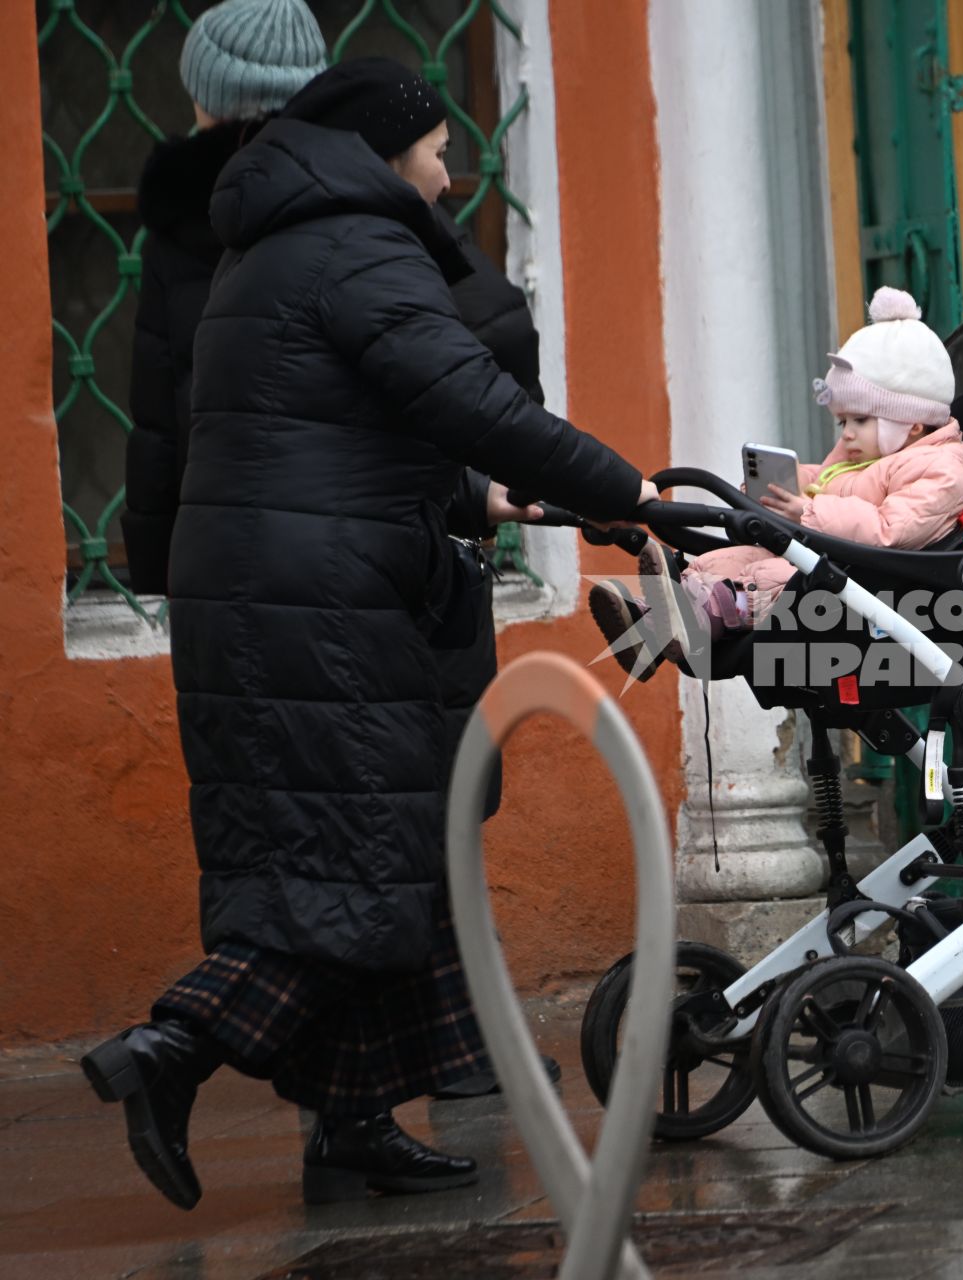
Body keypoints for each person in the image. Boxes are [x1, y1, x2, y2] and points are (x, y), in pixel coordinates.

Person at [81, 56, 657, 1211]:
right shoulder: (359, 244)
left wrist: (473, 501)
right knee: (374, 864)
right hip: (322, 601)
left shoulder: (278, 241)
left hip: (267, 589)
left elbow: (322, 432)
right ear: (389, 150)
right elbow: (470, 401)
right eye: (441, 154)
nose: (449, 178)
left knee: (343, 848)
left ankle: (351, 1124)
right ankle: (175, 1045)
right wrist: (628, 491)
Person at [589, 287, 963, 678]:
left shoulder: (944, 469)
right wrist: (777, 491)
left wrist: (807, 512)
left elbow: (889, 532)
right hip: (828, 555)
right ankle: (653, 618)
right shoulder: (873, 453)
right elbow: (825, 482)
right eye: (842, 421)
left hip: (868, 585)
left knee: (773, 580)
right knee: (733, 560)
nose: (846, 434)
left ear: (912, 423)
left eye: (859, 421)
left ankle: (696, 616)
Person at [122, 0, 326, 595]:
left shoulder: (176, 227)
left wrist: (158, 565)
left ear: (208, 98)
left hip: (218, 548)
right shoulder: (359, 198)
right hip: (349, 540)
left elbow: (159, 418)